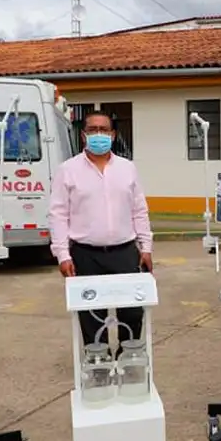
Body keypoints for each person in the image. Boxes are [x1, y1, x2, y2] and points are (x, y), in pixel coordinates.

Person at [48, 111, 153, 351]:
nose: (99, 135)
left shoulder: (128, 168)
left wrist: (146, 247)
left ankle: (128, 360)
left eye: (104, 130)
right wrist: (63, 255)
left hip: (125, 252)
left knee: (133, 313)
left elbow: (139, 210)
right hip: (86, 255)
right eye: (93, 130)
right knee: (92, 317)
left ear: (113, 135)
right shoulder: (68, 170)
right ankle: (98, 365)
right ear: (83, 135)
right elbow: (58, 214)